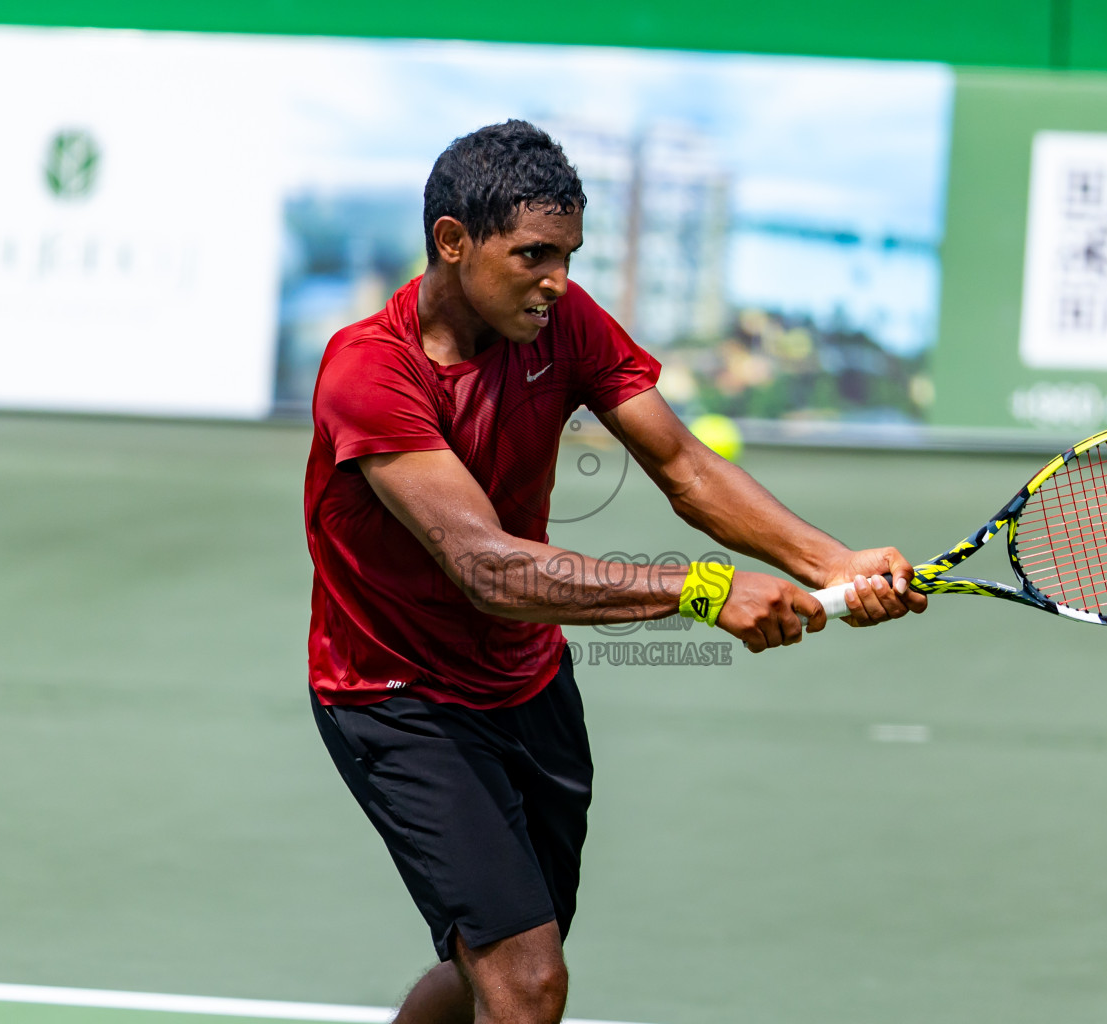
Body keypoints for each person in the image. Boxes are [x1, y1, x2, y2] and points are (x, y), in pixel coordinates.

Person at [303, 119, 926, 1024]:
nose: (557, 279)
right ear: (452, 242)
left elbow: (685, 466)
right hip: (396, 696)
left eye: (569, 254)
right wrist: (703, 588)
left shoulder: (563, 320)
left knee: (506, 960)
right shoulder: (369, 370)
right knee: (527, 980)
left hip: (525, 681)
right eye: (533, 255)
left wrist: (834, 561)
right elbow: (487, 568)